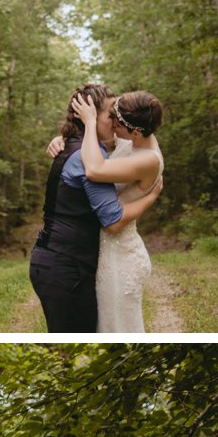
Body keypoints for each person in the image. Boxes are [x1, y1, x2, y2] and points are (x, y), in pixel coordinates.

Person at [76, 88, 166, 335]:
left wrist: (90, 120)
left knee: (117, 331)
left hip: (120, 258)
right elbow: (93, 147)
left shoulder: (148, 158)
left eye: (118, 121)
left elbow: (94, 169)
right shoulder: (132, 140)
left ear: (135, 131)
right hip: (108, 251)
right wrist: (62, 140)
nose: (112, 124)